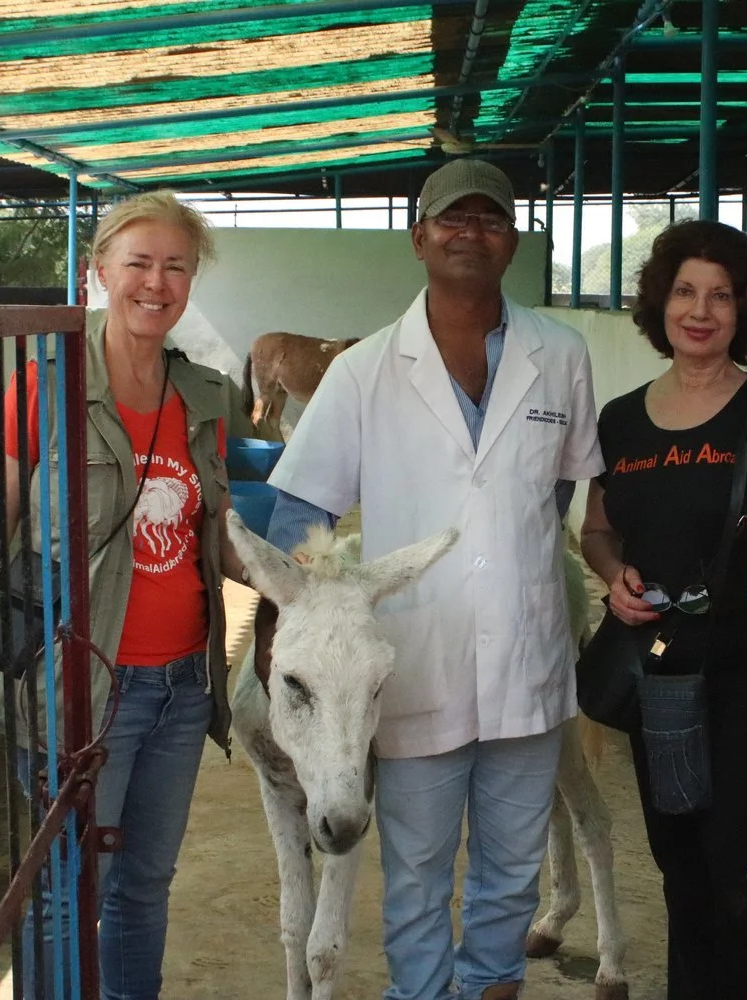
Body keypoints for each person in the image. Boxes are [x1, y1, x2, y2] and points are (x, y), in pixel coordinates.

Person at [260, 158, 603, 1000]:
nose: (470, 233)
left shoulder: (561, 354)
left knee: (511, 871)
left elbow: (557, 493)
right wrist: (317, 627)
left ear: (512, 241)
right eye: (453, 219)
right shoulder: (363, 370)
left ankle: (490, 987)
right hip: (413, 663)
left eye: (490, 219)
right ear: (419, 238)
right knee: (415, 876)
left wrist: (512, 565)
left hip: (524, 658)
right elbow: (300, 512)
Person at [0, 190, 252, 1000]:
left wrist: (305, 582)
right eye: (138, 262)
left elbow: (215, 534)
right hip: (83, 686)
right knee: (69, 890)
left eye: (176, 266)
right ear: (100, 271)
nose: (157, 282)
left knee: (146, 884)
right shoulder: (46, 388)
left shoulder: (206, 396)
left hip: (184, 686)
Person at [578, 220, 747, 999]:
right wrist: (615, 577)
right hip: (658, 681)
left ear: (745, 310)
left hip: (746, 681)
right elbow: (596, 530)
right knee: (677, 865)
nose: (700, 312)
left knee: (739, 873)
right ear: (658, 303)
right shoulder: (619, 421)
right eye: (684, 292)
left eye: (720, 296)